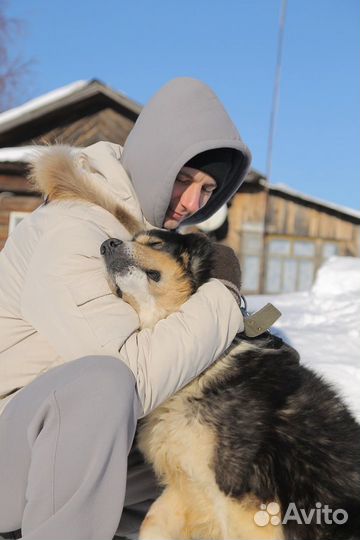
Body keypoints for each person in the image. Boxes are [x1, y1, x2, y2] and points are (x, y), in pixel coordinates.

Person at [0, 77, 251, 540]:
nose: (194, 203)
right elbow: (130, 375)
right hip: (11, 453)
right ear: (154, 163)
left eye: (208, 187)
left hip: (63, 452)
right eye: (183, 179)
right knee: (104, 381)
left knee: (228, 449)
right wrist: (223, 297)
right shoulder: (75, 230)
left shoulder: (140, 241)